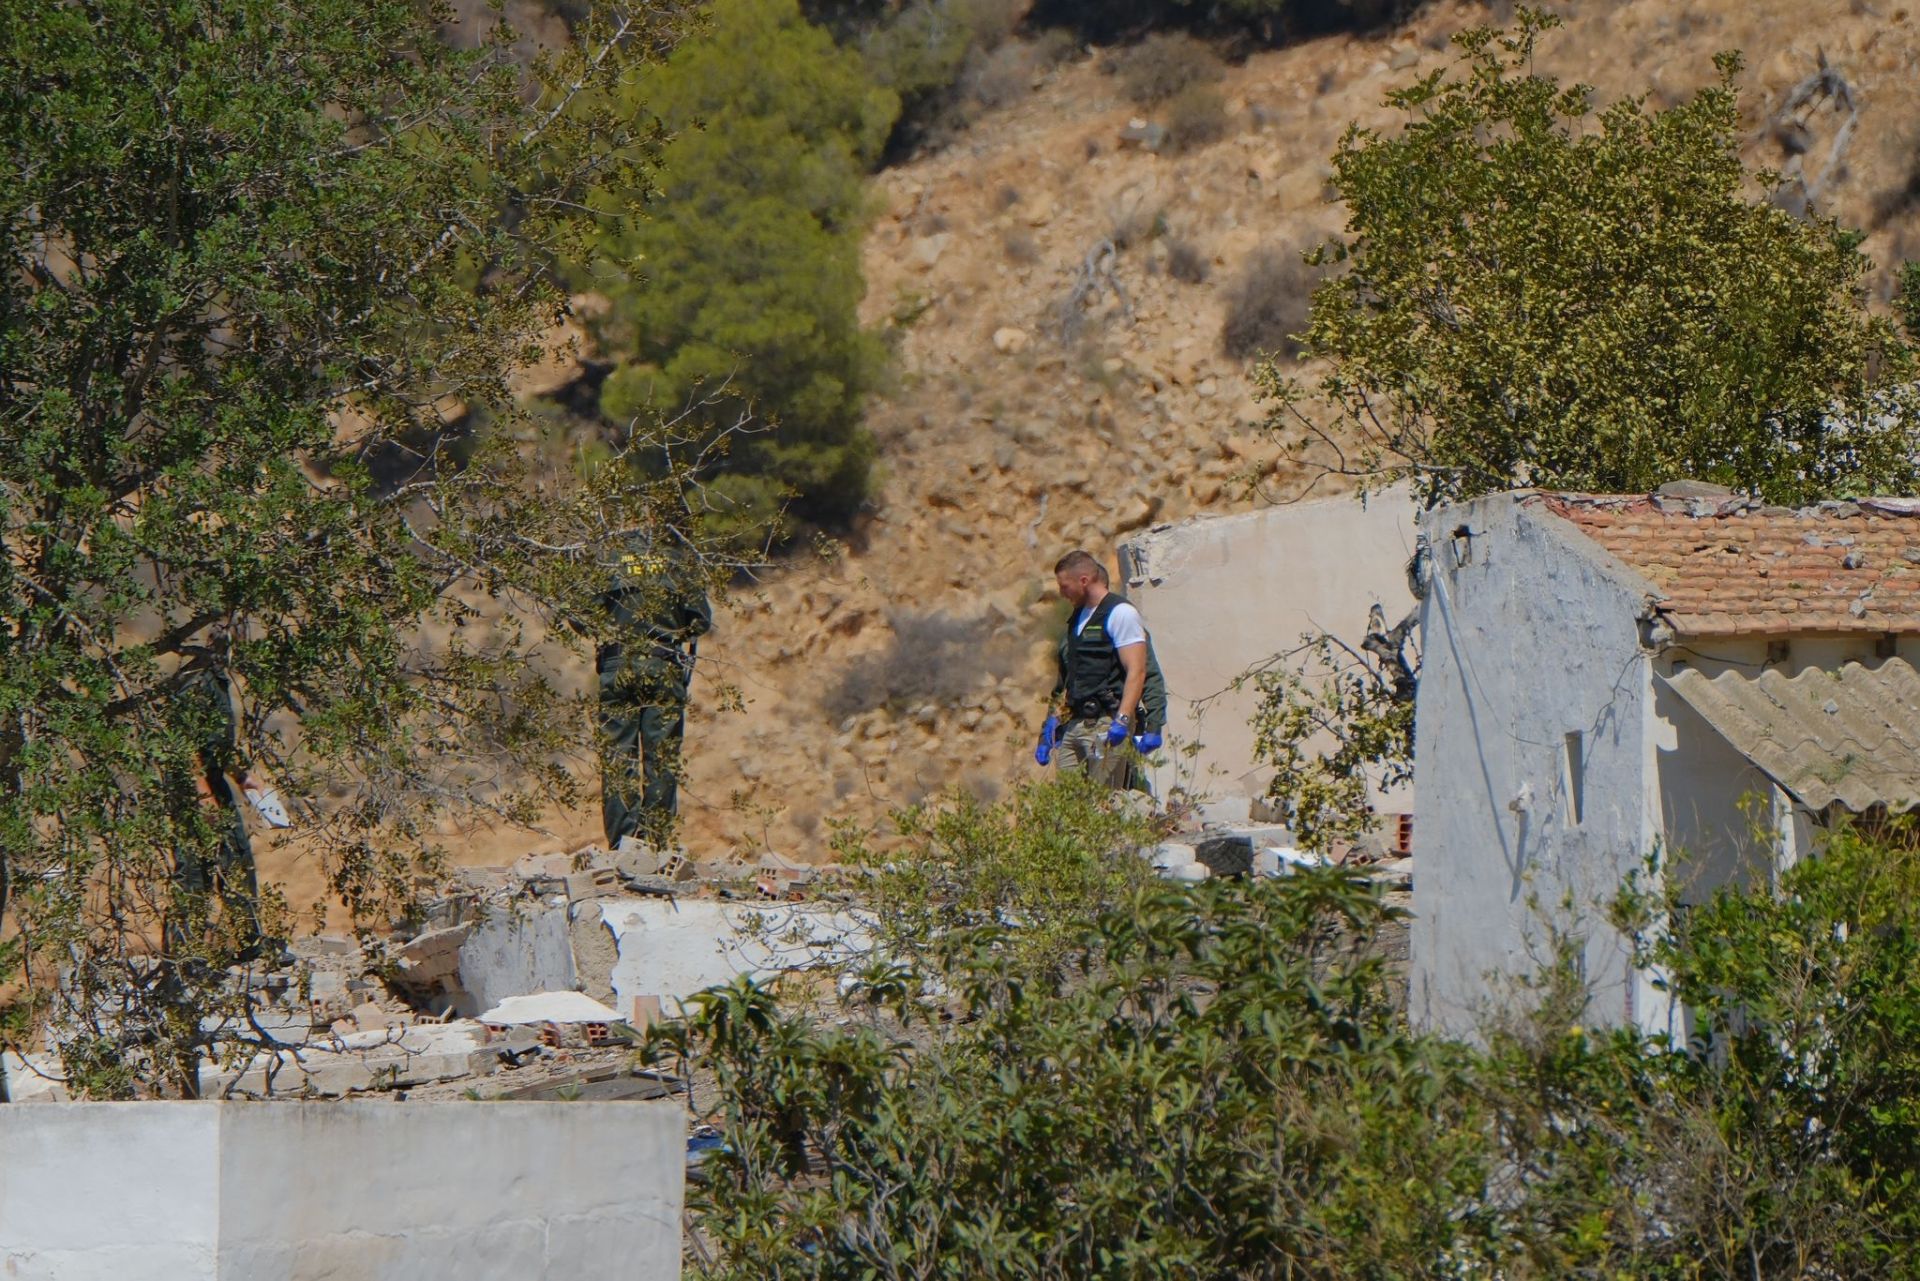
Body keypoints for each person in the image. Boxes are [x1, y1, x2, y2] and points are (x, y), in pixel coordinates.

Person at [598, 530, 711, 848]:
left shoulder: (609, 560)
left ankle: (622, 843)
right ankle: (655, 845)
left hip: (617, 666)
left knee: (618, 757)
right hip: (663, 668)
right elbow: (700, 621)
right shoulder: (676, 562)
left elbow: (580, 618)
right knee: (661, 759)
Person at [1034, 549, 1167, 791]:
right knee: (1068, 804)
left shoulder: (1120, 614)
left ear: (1083, 580)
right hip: (1076, 724)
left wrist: (1137, 722)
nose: (1061, 593)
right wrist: (1049, 727)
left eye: (1064, 586)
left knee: (1105, 799)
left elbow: (1140, 672)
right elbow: (1065, 683)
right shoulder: (1077, 620)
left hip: (1107, 722)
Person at [165, 663, 264, 954]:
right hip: (191, 793)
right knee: (194, 872)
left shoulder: (217, 677)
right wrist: (201, 794)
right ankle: (185, 955)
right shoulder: (193, 678)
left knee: (235, 858)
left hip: (215, 783)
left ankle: (249, 943)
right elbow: (182, 746)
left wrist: (243, 778)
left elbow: (216, 746)